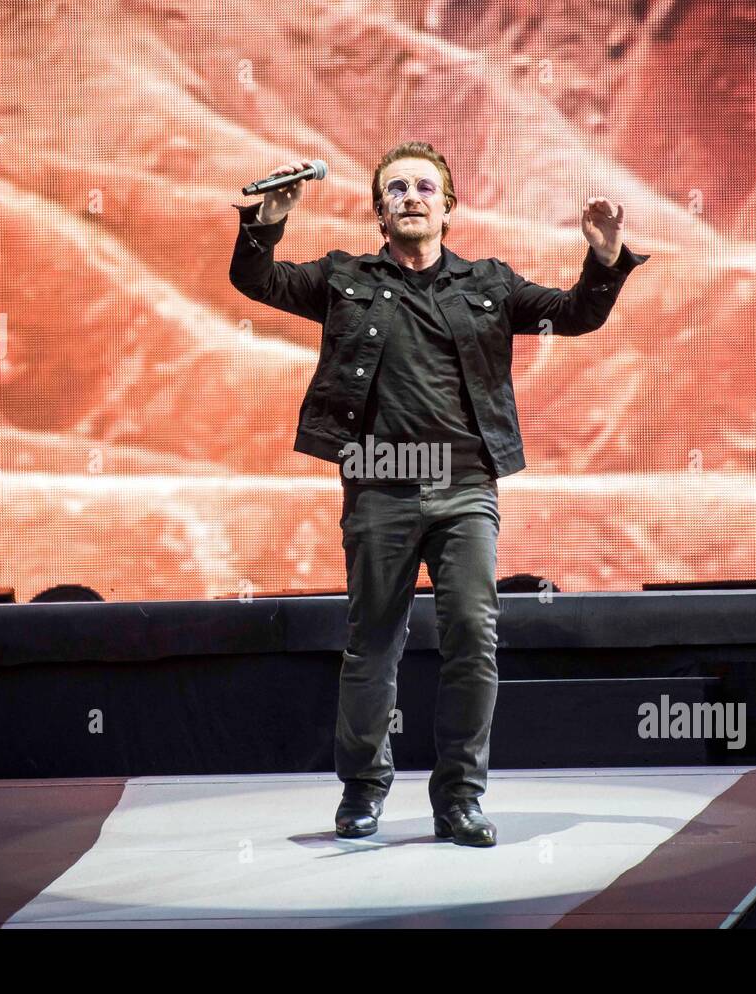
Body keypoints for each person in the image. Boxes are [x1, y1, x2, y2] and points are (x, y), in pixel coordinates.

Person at [230, 142, 648, 846]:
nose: (412, 196)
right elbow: (259, 282)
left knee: (474, 638)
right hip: (378, 488)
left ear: (449, 206)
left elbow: (575, 314)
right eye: (396, 189)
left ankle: (459, 799)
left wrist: (604, 260)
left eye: (426, 186)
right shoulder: (342, 279)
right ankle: (362, 792)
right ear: (379, 209)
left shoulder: (487, 282)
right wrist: (262, 226)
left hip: (464, 492)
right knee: (373, 646)